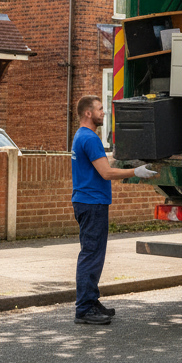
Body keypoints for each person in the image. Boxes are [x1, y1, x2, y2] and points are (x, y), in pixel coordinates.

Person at [72, 95, 157, 325]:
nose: (103, 113)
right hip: (92, 203)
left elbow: (102, 163)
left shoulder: (83, 136)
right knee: (91, 254)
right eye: (100, 109)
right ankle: (84, 309)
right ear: (88, 113)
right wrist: (135, 172)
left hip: (88, 202)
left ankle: (91, 300)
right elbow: (106, 173)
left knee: (94, 254)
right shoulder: (89, 138)